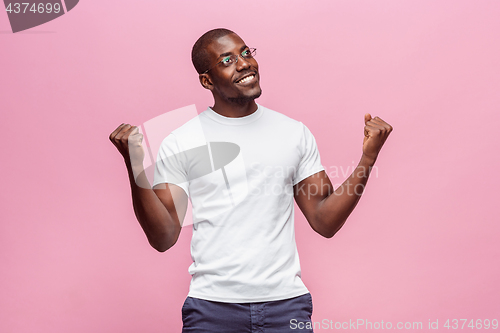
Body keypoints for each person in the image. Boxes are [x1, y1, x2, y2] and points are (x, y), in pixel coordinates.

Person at [109, 28, 393, 332]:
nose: (244, 64)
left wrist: (367, 160)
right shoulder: (183, 141)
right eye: (227, 60)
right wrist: (135, 166)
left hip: (287, 306)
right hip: (211, 309)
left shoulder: (293, 133)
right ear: (207, 80)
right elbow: (163, 237)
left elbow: (325, 221)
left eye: (246, 53)